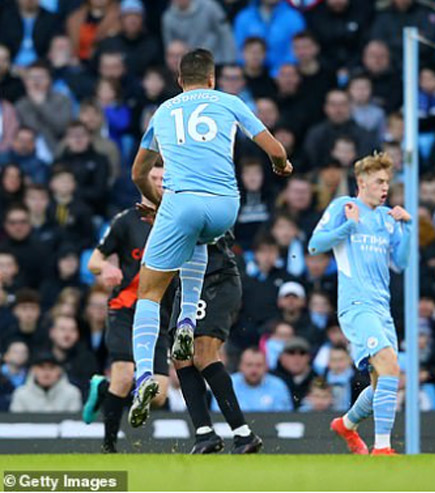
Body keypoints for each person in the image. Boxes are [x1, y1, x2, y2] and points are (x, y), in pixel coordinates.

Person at [128, 49, 290, 443]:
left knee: (147, 293)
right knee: (197, 238)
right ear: (213, 79)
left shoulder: (164, 112)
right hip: (225, 206)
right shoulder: (230, 102)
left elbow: (138, 173)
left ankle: (144, 376)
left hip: (182, 201)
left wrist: (158, 200)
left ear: (180, 80)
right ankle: (186, 321)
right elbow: (274, 147)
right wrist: (281, 166)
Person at [308, 152, 412, 455]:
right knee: (391, 366)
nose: (384, 188)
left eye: (387, 183)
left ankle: (347, 424)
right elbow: (315, 244)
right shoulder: (345, 207)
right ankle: (383, 448)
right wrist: (348, 228)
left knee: (383, 382)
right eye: (379, 182)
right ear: (361, 182)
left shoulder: (385, 218)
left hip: (382, 307)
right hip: (356, 304)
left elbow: (402, 263)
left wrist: (405, 227)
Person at [81, 164, 172, 453]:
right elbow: (93, 261)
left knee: (158, 395)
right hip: (126, 308)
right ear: (143, 183)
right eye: (153, 178)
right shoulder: (125, 221)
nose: (158, 184)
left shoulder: (176, 219)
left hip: (160, 312)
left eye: (163, 179)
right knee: (124, 376)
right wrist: (106, 267)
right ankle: (108, 448)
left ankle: (102, 388)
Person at [169, 231, 261, 454]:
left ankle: (243, 434)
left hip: (216, 276)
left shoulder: (208, 198)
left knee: (203, 353)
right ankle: (204, 434)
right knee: (181, 356)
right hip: (188, 280)